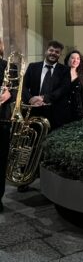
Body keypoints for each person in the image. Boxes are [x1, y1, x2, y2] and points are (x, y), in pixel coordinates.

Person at [22, 40, 70, 130]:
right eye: (51, 50)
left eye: (57, 52)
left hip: (55, 113)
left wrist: (43, 98)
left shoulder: (65, 70)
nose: (53, 53)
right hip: (34, 111)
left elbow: (63, 89)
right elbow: (23, 86)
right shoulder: (33, 67)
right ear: (46, 51)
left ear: (60, 54)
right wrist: (31, 99)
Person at [0, 39, 17, 212]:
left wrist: (9, 94)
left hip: (2, 119)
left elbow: (16, 88)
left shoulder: (8, 65)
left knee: (1, 159)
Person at [64, 50, 83, 122]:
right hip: (63, 110)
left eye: (78, 58)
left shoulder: (82, 75)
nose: (75, 60)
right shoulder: (60, 73)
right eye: (73, 58)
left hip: (78, 111)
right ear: (68, 59)